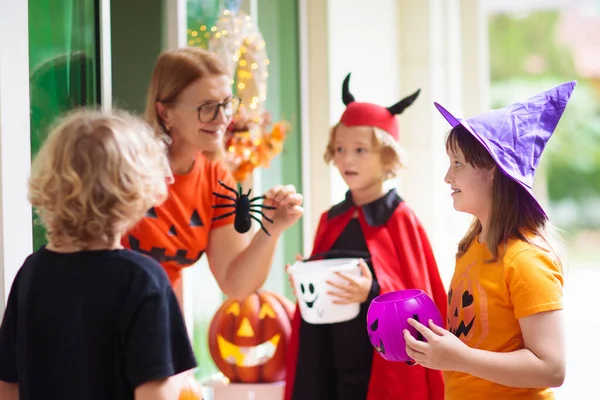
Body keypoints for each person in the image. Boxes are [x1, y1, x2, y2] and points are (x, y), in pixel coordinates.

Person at [0, 109, 197, 399]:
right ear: (134, 191)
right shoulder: (142, 279)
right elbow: (156, 393)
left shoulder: (32, 272)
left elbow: (8, 386)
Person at [404, 81, 576, 400]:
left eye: (458, 164)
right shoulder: (472, 247)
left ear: (495, 171)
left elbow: (552, 367)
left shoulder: (525, 259)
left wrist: (458, 358)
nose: (447, 177)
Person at [284, 73, 447, 400]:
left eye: (360, 150)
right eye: (340, 149)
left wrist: (371, 291)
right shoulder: (331, 219)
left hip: (378, 367)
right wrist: (306, 276)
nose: (346, 159)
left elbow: (416, 298)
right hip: (330, 361)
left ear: (387, 157)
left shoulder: (400, 219)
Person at [122, 47, 304, 303]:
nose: (222, 119)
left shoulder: (215, 178)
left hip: (157, 316)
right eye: (207, 107)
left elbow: (235, 284)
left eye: (226, 104)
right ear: (165, 112)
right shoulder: (126, 165)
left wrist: (271, 228)